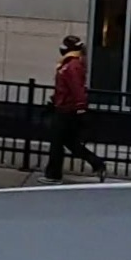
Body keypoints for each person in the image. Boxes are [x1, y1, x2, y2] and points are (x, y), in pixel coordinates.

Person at [43, 34, 102, 179]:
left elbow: (77, 89)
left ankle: (53, 175)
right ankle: (96, 163)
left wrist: (81, 107)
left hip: (67, 110)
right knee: (68, 142)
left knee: (57, 142)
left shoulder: (72, 65)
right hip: (64, 108)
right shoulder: (69, 64)